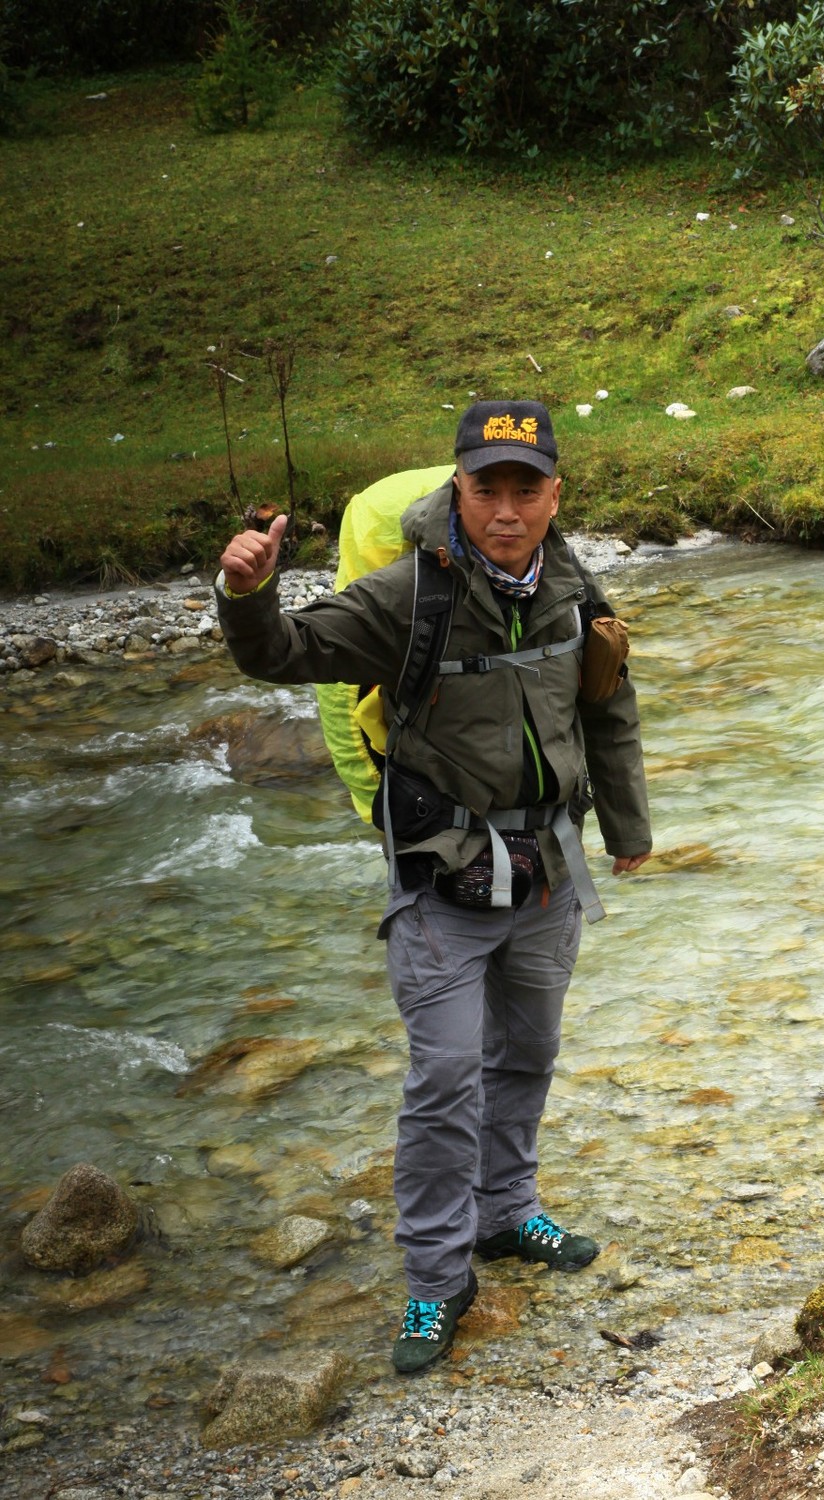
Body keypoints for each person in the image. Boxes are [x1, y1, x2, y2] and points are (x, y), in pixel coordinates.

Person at [214, 400, 652, 1373]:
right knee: (444, 1078)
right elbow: (280, 654)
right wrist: (244, 593)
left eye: (523, 487)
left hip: (547, 875)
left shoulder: (576, 584)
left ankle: (507, 1213)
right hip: (440, 884)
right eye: (485, 486)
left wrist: (627, 828)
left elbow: (608, 709)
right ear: (456, 490)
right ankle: (434, 1280)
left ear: (552, 494)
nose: (505, 508)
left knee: (528, 1053)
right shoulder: (404, 597)